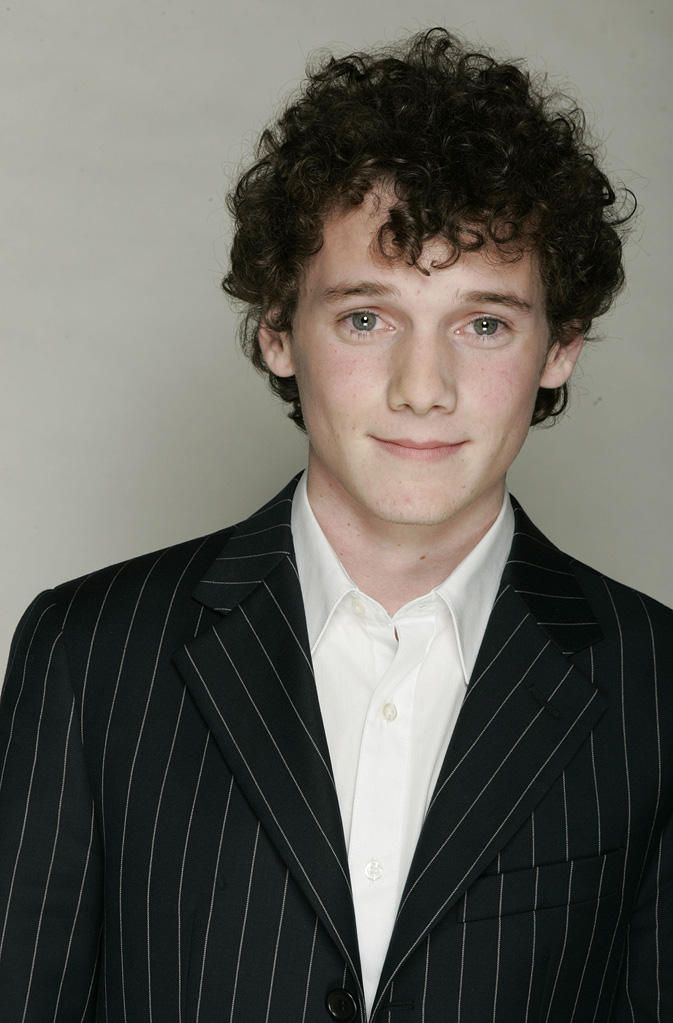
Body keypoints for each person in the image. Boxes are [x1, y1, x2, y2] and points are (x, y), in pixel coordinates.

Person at [0, 27, 670, 1022]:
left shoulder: (652, 682)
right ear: (278, 333)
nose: (423, 390)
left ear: (559, 348)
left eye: (482, 324)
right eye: (367, 318)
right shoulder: (88, 657)